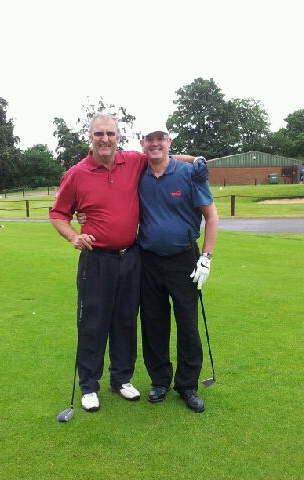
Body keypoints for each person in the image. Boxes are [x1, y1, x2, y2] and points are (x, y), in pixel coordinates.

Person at [49, 114, 207, 413]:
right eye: (99, 134)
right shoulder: (77, 173)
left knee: (125, 321)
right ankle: (89, 385)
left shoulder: (132, 161)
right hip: (97, 259)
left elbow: (161, 153)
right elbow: (58, 213)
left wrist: (197, 159)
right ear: (90, 137)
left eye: (110, 133)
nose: (105, 139)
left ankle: (121, 379)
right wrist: (73, 235)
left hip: (132, 257)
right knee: (94, 322)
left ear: (118, 137)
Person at [137, 125, 218, 413]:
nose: (155, 143)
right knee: (153, 323)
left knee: (187, 323)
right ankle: (160, 381)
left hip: (184, 258)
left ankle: (187, 385)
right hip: (148, 260)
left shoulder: (190, 174)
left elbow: (211, 216)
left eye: (161, 138)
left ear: (169, 141)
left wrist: (206, 257)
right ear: (142, 143)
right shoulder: (137, 171)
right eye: (150, 139)